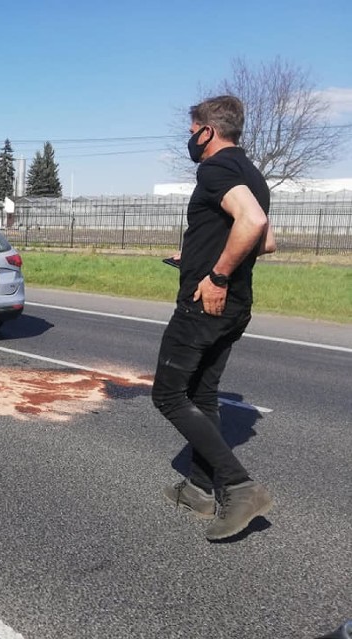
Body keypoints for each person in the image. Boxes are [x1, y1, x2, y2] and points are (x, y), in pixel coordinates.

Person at [152, 95, 276, 541]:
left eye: (192, 132)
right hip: (236, 307)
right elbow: (266, 241)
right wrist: (197, 253)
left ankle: (240, 487)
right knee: (204, 395)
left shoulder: (215, 167)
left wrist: (216, 274)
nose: (190, 140)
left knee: (167, 395)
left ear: (208, 130)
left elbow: (252, 220)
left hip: (206, 303)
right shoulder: (253, 173)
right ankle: (200, 491)